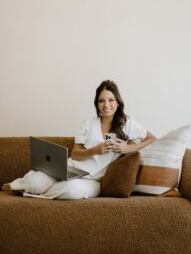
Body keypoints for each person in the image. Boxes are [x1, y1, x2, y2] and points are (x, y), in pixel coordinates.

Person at [4, 80, 156, 199]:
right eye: (101, 101)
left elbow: (152, 138)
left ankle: (33, 193)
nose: (106, 105)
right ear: (97, 104)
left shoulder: (128, 124)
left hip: (92, 180)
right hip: (70, 168)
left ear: (118, 102)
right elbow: (76, 154)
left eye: (111, 100)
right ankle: (20, 186)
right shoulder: (89, 123)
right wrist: (95, 150)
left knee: (70, 190)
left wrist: (127, 148)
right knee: (34, 182)